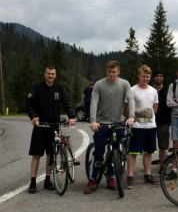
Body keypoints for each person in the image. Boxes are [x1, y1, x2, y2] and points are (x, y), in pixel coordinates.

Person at [85, 60, 135, 194]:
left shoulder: (124, 84)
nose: (111, 74)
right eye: (109, 72)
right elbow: (94, 102)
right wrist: (93, 121)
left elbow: (131, 99)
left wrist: (131, 117)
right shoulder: (99, 85)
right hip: (102, 123)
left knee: (117, 152)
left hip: (118, 123)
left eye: (114, 72)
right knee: (99, 152)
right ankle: (93, 178)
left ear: (118, 71)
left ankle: (111, 176)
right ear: (106, 72)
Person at [26, 65, 76, 193]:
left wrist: (71, 116)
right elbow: (29, 105)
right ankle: (33, 182)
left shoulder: (59, 88)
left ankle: (48, 180)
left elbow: (67, 103)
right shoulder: (37, 88)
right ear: (44, 74)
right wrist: (33, 117)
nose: (50, 76)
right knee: (36, 154)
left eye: (53, 74)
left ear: (55, 75)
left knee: (51, 154)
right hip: (40, 125)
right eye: (48, 73)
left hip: (54, 126)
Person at [125, 65, 159, 189]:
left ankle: (148, 175)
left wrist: (147, 117)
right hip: (136, 126)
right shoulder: (132, 90)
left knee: (149, 152)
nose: (145, 78)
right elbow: (126, 108)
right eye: (143, 76)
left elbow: (155, 108)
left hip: (150, 125)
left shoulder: (153, 90)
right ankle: (130, 177)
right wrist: (131, 118)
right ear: (139, 76)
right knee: (133, 152)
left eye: (147, 76)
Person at [153, 68, 172, 175]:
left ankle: (162, 167)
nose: (159, 78)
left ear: (163, 78)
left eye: (160, 76)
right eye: (157, 76)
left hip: (164, 121)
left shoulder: (168, 90)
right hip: (150, 121)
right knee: (149, 147)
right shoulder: (150, 90)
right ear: (154, 77)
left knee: (163, 146)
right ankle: (147, 171)